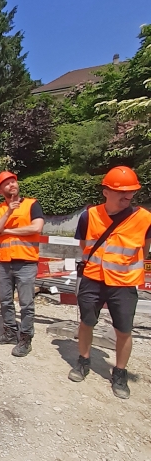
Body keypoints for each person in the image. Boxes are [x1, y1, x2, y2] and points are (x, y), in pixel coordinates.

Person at [69, 166, 151, 399]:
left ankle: (120, 372)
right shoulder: (89, 216)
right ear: (106, 191)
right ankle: (83, 361)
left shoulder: (145, 219)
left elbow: (145, 250)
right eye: (121, 191)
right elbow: (84, 247)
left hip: (124, 284)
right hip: (93, 279)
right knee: (87, 322)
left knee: (123, 330)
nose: (128, 196)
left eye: (131, 191)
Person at [0, 171, 45, 357]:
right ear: (0, 190)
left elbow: (37, 227)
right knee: (5, 300)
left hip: (26, 261)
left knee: (26, 303)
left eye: (13, 181)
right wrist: (9, 213)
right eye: (7, 183)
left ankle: (26, 338)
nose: (12, 185)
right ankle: (10, 332)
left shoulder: (32, 204)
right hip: (4, 262)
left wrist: (9, 230)